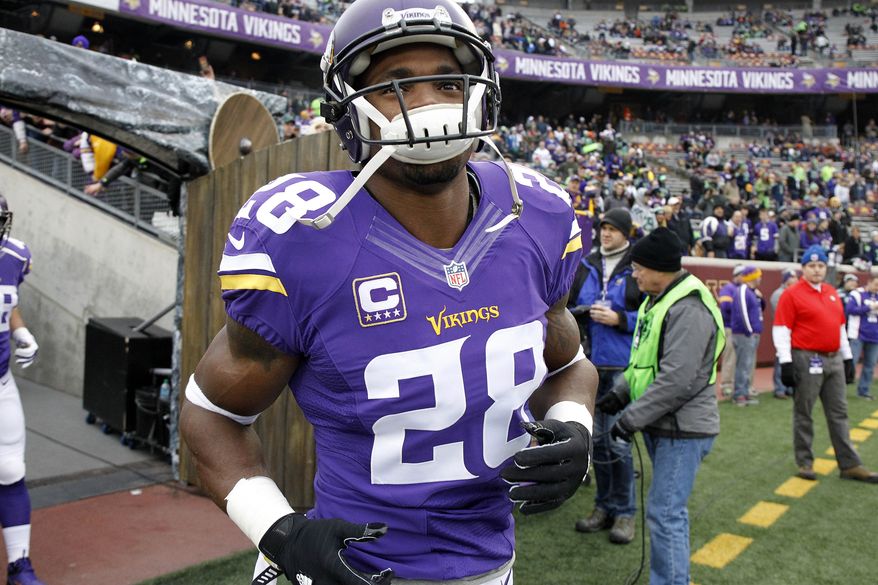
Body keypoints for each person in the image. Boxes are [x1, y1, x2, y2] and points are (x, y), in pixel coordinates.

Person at [178, 2, 599, 584]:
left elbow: (570, 363)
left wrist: (576, 422)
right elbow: (213, 412)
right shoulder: (301, 237)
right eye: (396, 84)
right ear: (346, 109)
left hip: (491, 566)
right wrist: (278, 529)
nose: (426, 107)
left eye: (447, 82)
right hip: (350, 568)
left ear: (483, 92)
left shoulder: (537, 215)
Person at [596, 227, 724, 585]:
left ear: (660, 269)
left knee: (666, 513)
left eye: (639, 268)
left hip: (682, 429)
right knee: (665, 512)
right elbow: (643, 363)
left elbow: (678, 380)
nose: (634, 275)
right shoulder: (662, 299)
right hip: (665, 423)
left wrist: (629, 418)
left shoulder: (688, 307)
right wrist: (621, 392)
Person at [773, 245, 878, 484]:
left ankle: (850, 464)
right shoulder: (792, 294)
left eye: (820, 265)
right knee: (804, 412)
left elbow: (839, 327)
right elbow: (781, 329)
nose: (817, 270)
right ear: (803, 269)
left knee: (839, 412)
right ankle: (805, 462)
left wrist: (848, 357)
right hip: (806, 357)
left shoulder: (831, 292)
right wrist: (786, 362)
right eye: (812, 266)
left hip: (834, 359)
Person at [571, 209, 641, 545]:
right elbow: (563, 309)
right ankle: (603, 506)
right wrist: (581, 315)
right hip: (589, 363)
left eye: (613, 229)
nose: (606, 234)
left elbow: (650, 314)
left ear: (627, 233)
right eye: (603, 228)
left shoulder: (637, 265)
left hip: (623, 365)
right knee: (597, 441)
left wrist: (621, 319)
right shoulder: (586, 264)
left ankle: (625, 512)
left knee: (619, 442)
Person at [0, 194, 44, 585]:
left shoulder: (14, 255)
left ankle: (19, 565)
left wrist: (21, 331)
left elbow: (8, 298)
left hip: (1, 383)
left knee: (11, 468)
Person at [730, 266, 765, 406]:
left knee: (748, 365)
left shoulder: (752, 292)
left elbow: (760, 309)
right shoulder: (743, 290)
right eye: (758, 275)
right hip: (744, 334)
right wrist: (749, 331)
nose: (760, 278)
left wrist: (760, 298)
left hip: (752, 333)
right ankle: (739, 394)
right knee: (743, 365)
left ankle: (745, 392)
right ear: (752, 277)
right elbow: (742, 312)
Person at [846, 275, 878, 401]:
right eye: (876, 284)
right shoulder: (857, 294)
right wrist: (869, 307)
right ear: (869, 282)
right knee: (851, 363)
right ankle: (839, 389)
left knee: (870, 365)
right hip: (857, 334)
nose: (877, 288)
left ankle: (863, 391)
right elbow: (850, 310)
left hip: (875, 336)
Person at [770, 269, 798, 399]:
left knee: (791, 360)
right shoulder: (778, 294)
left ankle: (789, 387)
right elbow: (780, 315)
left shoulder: (795, 293)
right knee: (781, 359)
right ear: (787, 279)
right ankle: (779, 388)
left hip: (794, 332)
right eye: (793, 277)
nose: (796, 279)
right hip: (782, 331)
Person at [717, 265, 744, 396]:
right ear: (737, 275)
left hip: (742, 330)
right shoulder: (729, 288)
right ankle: (726, 384)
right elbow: (725, 306)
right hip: (730, 327)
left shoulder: (746, 289)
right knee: (730, 357)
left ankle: (743, 386)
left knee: (743, 359)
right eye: (743, 275)